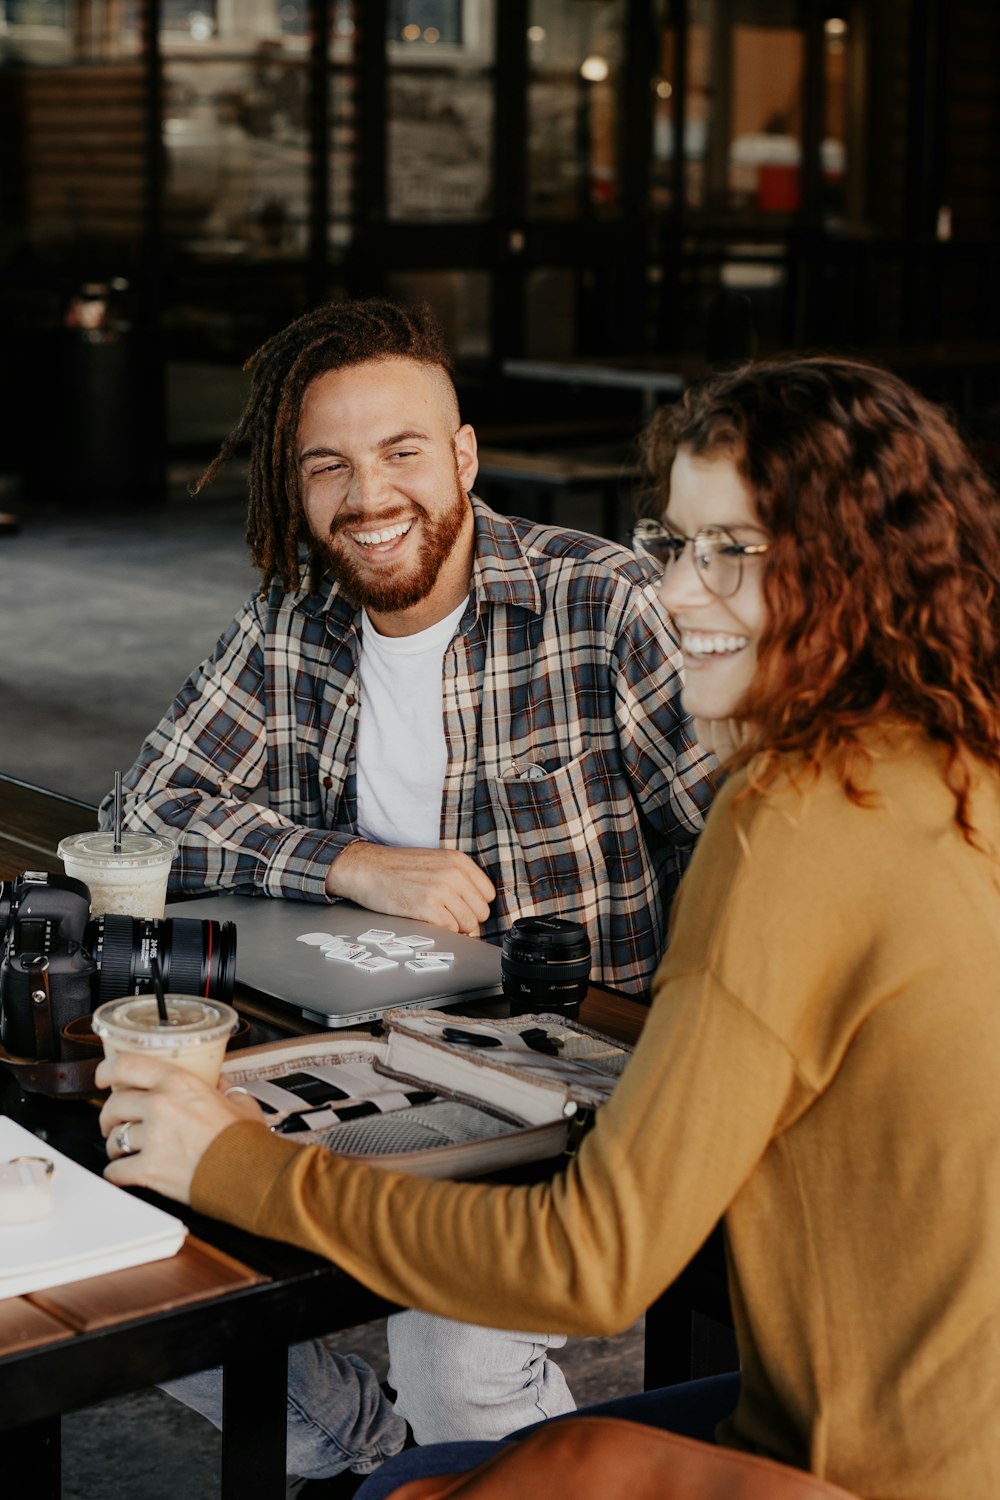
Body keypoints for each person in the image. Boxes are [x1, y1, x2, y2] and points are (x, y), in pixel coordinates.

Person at [98, 353, 1000, 1500]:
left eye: (733, 553)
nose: (673, 592)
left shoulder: (784, 817)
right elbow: (144, 804)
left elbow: (593, 1264)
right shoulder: (951, 758)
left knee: (399, 1407)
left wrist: (241, 1165)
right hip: (886, 1408)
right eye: (675, 544)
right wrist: (353, 865)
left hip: (858, 1452)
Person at [97, 297, 714, 1485]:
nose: (367, 498)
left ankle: (449, 1463)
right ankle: (382, 1463)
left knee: (453, 1355)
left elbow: (735, 839)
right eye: (327, 464)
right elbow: (139, 814)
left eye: (402, 452)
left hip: (562, 1084)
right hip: (359, 1056)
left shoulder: (603, 603)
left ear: (464, 457)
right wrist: (346, 861)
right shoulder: (295, 617)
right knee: (126, 1241)